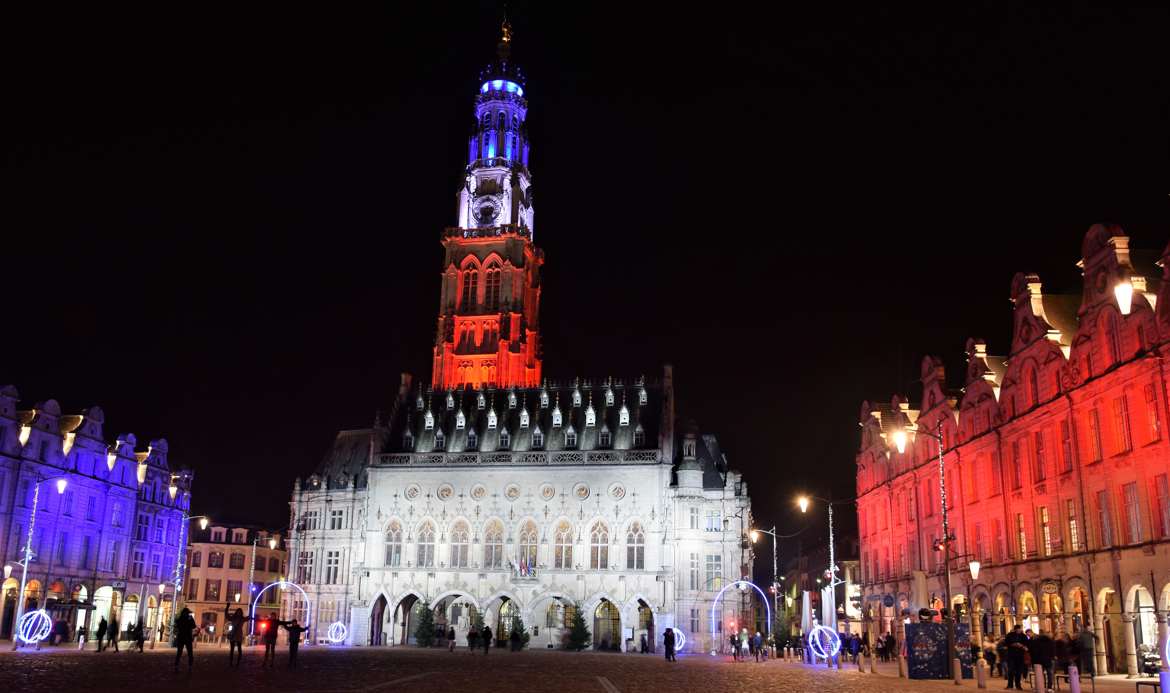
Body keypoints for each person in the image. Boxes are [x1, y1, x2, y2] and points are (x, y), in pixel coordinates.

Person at [1004, 625, 1028, 689]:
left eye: (1019, 629)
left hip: (1020, 656)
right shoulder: (1010, 635)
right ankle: (1010, 685)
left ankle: (1018, 685)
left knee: (1019, 671)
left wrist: (1021, 646)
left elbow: (1026, 644)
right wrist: (1013, 644)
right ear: (1015, 629)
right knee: (1010, 670)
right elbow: (1006, 643)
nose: (1018, 630)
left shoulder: (1023, 636)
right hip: (1011, 655)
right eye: (1017, 629)